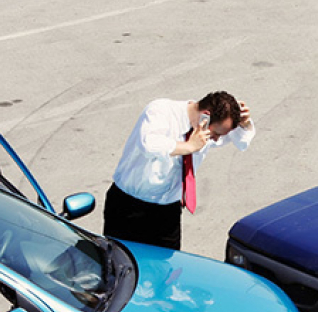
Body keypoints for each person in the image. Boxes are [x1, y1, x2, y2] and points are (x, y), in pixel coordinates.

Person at [104, 91, 255, 250]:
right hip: (129, 207)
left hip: (168, 212)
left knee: (168, 269)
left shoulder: (205, 130)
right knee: (119, 266)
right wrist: (188, 146)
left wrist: (245, 124)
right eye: (216, 134)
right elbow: (148, 145)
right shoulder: (160, 110)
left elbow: (242, 143)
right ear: (205, 116)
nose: (216, 139)